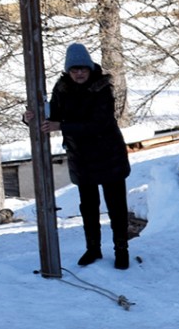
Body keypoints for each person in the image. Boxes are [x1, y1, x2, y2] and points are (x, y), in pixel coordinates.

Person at [26, 43, 133, 267]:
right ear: (68, 71)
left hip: (108, 154)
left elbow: (99, 123)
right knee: (88, 206)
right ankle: (93, 249)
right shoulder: (62, 88)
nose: (79, 73)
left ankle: (121, 249)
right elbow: (52, 114)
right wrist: (31, 118)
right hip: (81, 157)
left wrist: (61, 125)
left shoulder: (102, 88)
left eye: (83, 68)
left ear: (90, 68)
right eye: (74, 70)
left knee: (116, 206)